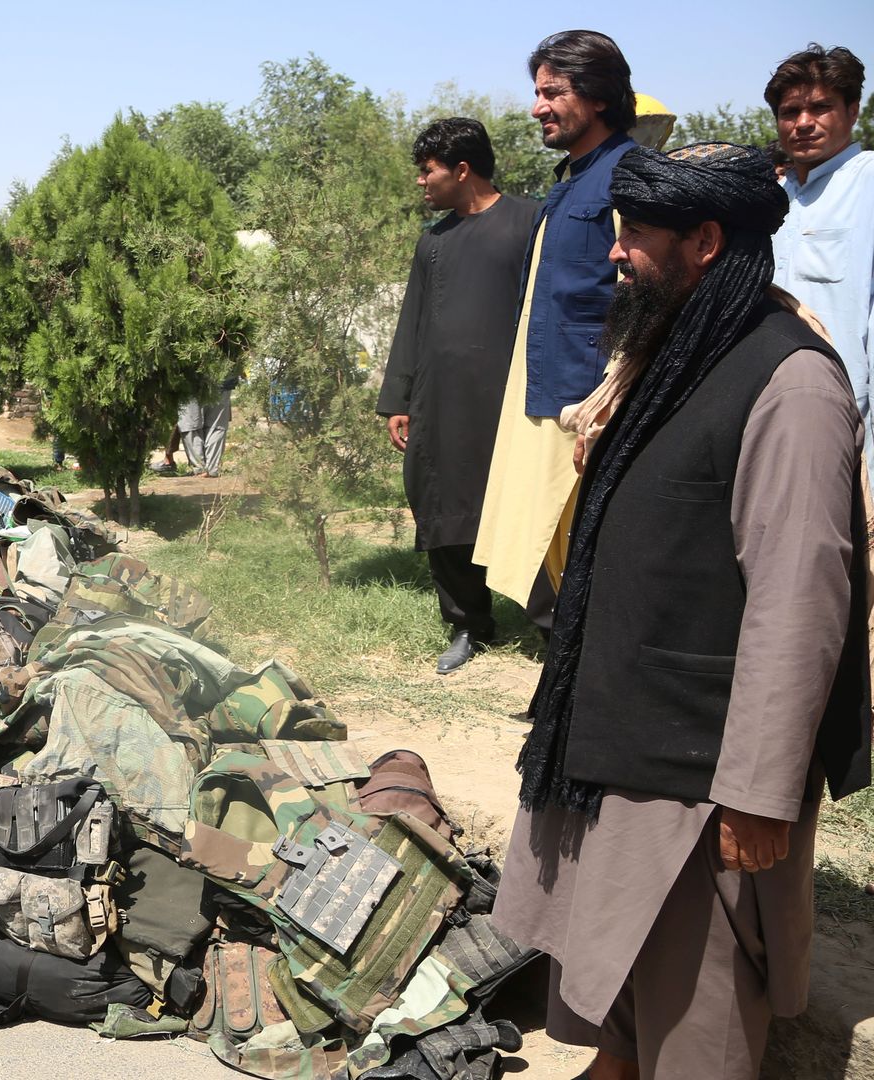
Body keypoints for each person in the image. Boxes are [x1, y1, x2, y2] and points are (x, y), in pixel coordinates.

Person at [495, 142, 871, 1080]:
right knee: (620, 941)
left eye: (635, 236)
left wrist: (758, 789)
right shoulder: (675, 354)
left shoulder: (792, 385)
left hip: (704, 769)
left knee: (698, 1004)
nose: (615, 253)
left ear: (705, 240)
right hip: (629, 728)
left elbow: (801, 601)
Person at [473, 30, 638, 629]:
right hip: (544, 392)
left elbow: (641, 302)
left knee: (587, 549)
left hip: (584, 400)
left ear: (596, 96)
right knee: (550, 549)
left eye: (552, 92)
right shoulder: (569, 180)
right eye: (537, 92)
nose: (537, 106)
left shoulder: (629, 176)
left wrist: (611, 403)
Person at [378, 119, 542, 673]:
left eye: (428, 171)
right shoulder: (434, 241)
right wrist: (398, 399)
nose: (421, 182)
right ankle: (470, 622)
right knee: (440, 499)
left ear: (463, 170)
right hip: (441, 399)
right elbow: (413, 323)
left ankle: (555, 624)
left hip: (513, 397)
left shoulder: (531, 223)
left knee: (527, 505)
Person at [767, 46, 873, 464]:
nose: (803, 123)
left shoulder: (866, 184)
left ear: (852, 111)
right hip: (771, 402)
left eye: (821, 107)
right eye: (790, 111)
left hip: (847, 414)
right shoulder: (774, 198)